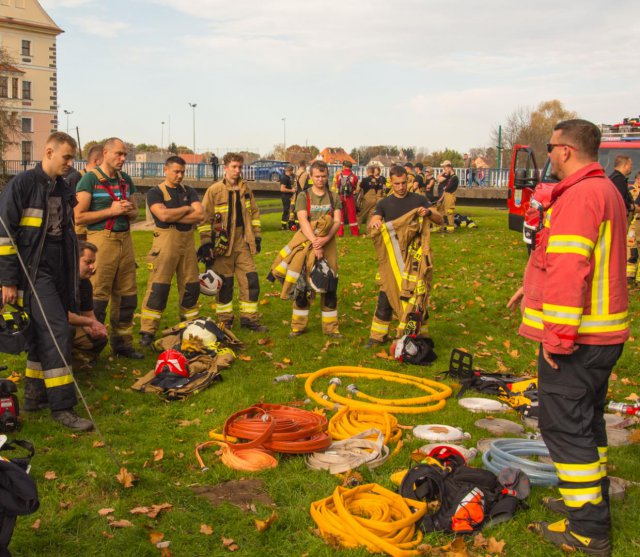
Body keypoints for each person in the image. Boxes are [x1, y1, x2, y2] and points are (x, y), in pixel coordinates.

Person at [507, 119, 629, 556]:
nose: (551, 154)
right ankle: (587, 501)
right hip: (604, 335)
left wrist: (556, 338)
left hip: (578, 340)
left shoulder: (579, 196)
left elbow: (571, 269)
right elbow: (563, 259)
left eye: (551, 146)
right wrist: (531, 284)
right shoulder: (606, 190)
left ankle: (587, 531)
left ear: (565, 150)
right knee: (588, 423)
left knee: (565, 429)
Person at [0, 132, 93, 431]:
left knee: (43, 332)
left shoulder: (64, 189)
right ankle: (63, 406)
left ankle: (34, 396)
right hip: (33, 270)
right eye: (66, 157)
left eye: (72, 158)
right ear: (49, 151)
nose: (70, 163)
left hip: (58, 269)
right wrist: (8, 280)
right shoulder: (23, 184)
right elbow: (4, 237)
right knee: (58, 331)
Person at [75, 137, 143, 359]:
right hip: (101, 240)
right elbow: (78, 217)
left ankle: (122, 344)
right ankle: (91, 345)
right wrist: (111, 211)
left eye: (125, 154)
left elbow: (135, 212)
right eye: (119, 154)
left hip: (125, 240)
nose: (123, 159)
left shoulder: (126, 180)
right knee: (98, 295)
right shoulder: (89, 181)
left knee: (127, 294)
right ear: (105, 153)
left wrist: (129, 210)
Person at [366, 165, 442, 347]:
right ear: (391, 182)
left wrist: (429, 212)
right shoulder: (384, 203)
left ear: (408, 181)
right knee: (386, 293)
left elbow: (439, 218)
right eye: (397, 183)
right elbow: (375, 219)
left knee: (417, 294)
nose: (401, 187)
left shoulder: (419, 200)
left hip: (414, 258)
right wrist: (376, 222)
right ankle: (377, 336)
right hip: (393, 257)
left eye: (404, 183)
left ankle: (419, 335)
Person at [139, 156, 203, 345]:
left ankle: (190, 324)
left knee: (191, 286)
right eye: (176, 171)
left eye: (183, 172)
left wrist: (174, 214)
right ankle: (147, 331)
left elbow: (200, 214)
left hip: (187, 244)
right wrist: (185, 210)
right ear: (165, 170)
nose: (180, 175)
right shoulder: (155, 192)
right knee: (158, 287)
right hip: (165, 243)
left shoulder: (189, 191)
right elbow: (163, 215)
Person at [199, 152, 266, 331]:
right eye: (234, 167)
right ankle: (225, 320)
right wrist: (206, 243)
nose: (237, 170)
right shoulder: (214, 191)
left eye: (240, 167)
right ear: (225, 167)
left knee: (250, 280)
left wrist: (256, 236)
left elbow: (255, 214)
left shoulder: (246, 189)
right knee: (224, 284)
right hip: (222, 245)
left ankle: (249, 319)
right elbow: (204, 219)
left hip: (242, 243)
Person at [289, 160, 342, 337]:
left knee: (330, 284)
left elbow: (337, 221)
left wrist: (325, 239)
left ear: (328, 176)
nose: (320, 179)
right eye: (317, 176)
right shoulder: (304, 196)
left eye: (324, 176)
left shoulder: (334, 196)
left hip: (329, 244)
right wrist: (315, 242)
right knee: (302, 286)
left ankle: (331, 328)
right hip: (307, 244)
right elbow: (303, 220)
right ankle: (298, 326)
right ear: (311, 177)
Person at [69, 241, 108, 370]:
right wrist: (90, 324)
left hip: (71, 322)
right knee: (66, 332)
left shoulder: (85, 284)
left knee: (99, 339)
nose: (92, 267)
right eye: (88, 262)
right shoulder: (61, 281)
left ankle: (78, 361)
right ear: (74, 260)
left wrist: (97, 329)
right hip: (54, 325)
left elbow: (88, 313)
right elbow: (64, 316)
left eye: (93, 262)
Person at [66, 144, 104, 241]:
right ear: (96, 161)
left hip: (98, 232)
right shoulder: (75, 178)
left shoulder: (102, 179)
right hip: (80, 233)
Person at [332, 161, 359, 236]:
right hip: (349, 197)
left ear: (343, 166)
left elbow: (335, 185)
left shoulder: (338, 175)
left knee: (340, 214)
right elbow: (355, 186)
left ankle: (340, 232)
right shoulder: (354, 176)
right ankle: (355, 233)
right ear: (351, 167)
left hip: (340, 196)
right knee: (352, 215)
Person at [608, 155, 633, 223]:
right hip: (617, 218)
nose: (631, 167)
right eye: (630, 165)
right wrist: (631, 206)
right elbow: (620, 199)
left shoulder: (612, 177)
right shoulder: (619, 180)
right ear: (625, 166)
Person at [435, 160, 459, 233]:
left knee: (449, 212)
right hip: (446, 196)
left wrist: (441, 197)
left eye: (445, 168)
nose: (444, 170)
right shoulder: (450, 177)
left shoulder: (454, 178)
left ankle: (450, 228)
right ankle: (444, 227)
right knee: (443, 212)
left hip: (450, 196)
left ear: (449, 167)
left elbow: (447, 188)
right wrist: (441, 199)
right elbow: (445, 190)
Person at [279, 165, 295, 230]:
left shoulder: (287, 177)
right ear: (290, 171)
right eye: (292, 171)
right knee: (286, 210)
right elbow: (282, 189)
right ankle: (284, 226)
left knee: (288, 211)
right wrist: (292, 190)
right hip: (286, 197)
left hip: (288, 196)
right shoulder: (285, 178)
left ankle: (286, 225)